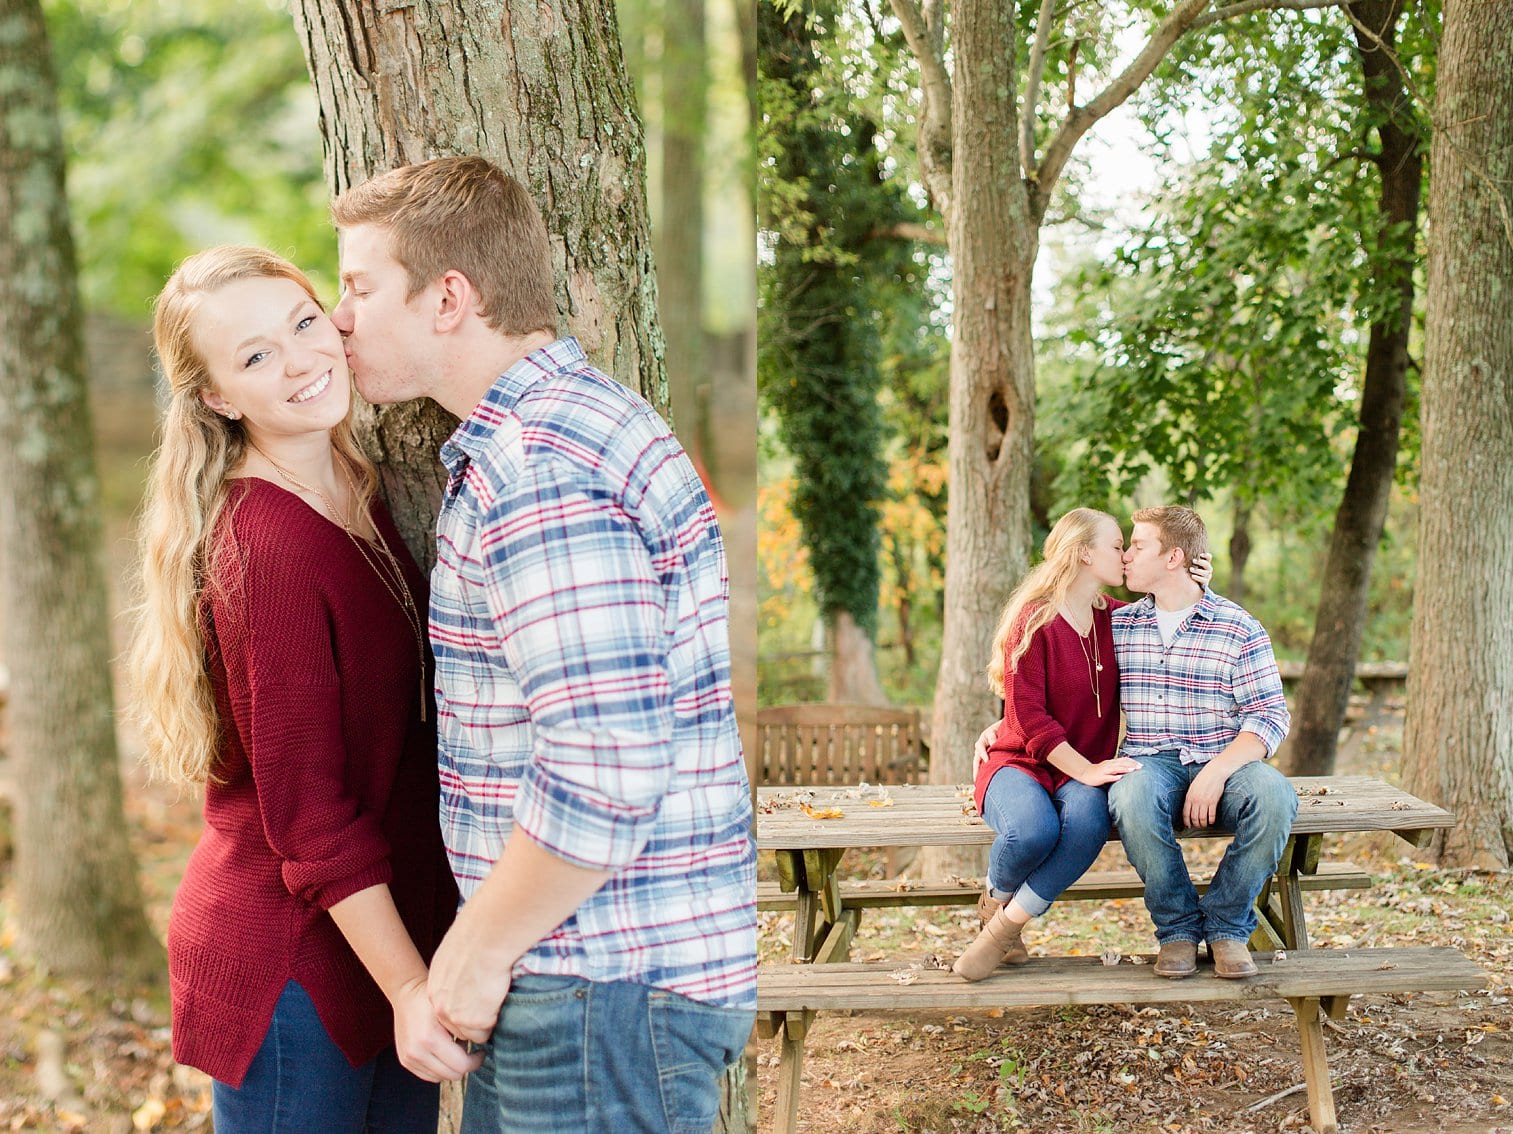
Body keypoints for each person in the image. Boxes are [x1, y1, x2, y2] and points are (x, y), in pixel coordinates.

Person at [327, 156, 756, 1133]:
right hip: (589, 990)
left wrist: (471, 955)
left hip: (597, 991)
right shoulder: (561, 433)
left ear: (448, 298)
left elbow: (605, 766)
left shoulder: (541, 470)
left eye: (359, 286)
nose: (339, 316)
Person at [127, 246, 479, 1133]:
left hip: (382, 940)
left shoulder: (357, 488)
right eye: (253, 357)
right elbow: (309, 816)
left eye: (302, 321)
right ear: (217, 398)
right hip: (297, 966)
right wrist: (409, 986)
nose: (298, 360)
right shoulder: (268, 552)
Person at [955, 510, 1212, 981]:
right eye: (1118, 546)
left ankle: (1001, 931)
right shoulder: (1033, 621)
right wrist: (1087, 770)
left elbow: (1186, 617)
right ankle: (993, 898)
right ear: (1085, 553)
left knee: (1087, 825)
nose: (1127, 554)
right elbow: (1029, 716)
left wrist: (1195, 581)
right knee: (1032, 831)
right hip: (1020, 761)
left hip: (1083, 768)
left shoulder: (1120, 620)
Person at [1107, 505, 1294, 980]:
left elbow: (1270, 716)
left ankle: (1228, 925)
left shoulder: (1238, 627)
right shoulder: (1118, 628)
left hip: (1223, 759)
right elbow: (1057, 680)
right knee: (1130, 796)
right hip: (1150, 761)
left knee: (1274, 796)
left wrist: (1216, 772)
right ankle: (1178, 930)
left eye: (1137, 545)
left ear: (1173, 557)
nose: (1126, 555)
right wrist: (1004, 725)